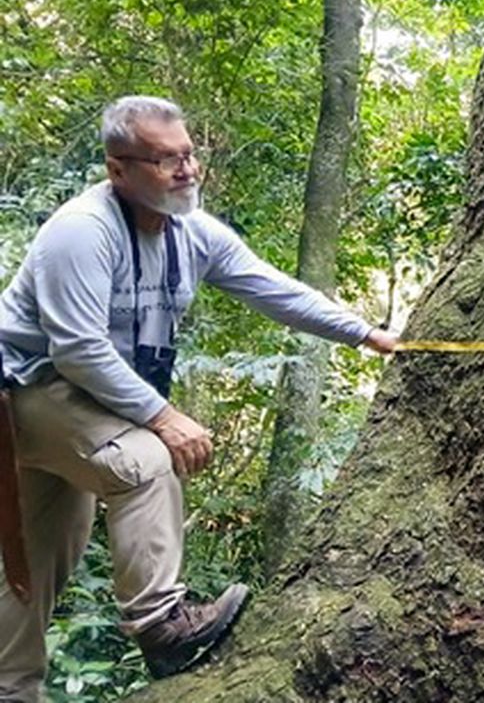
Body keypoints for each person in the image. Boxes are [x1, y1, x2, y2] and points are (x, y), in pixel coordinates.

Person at [0, 95, 399, 699]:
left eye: (189, 154)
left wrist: (364, 333)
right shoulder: (81, 232)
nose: (186, 170)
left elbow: (271, 288)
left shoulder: (192, 231)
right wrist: (163, 417)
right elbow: (77, 349)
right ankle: (163, 625)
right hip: (27, 388)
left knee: (40, 554)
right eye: (165, 160)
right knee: (146, 463)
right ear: (118, 169)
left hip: (84, 400)